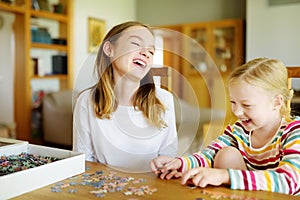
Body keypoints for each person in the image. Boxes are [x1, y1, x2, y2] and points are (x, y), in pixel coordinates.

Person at [150, 57, 300, 195]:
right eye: (233, 103)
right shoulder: (239, 129)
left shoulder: (294, 131)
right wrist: (179, 163)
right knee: (225, 153)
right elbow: (209, 155)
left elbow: (290, 181)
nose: (237, 111)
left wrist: (226, 176)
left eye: (247, 105)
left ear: (277, 102)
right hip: (250, 195)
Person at [73, 21, 178, 172]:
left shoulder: (165, 100)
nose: (146, 53)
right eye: (136, 43)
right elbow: (84, 161)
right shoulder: (86, 101)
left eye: (151, 51)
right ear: (109, 49)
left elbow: (169, 156)